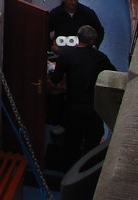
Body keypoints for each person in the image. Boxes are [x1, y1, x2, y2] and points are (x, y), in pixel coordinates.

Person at [48, 25, 116, 169]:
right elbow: (113, 75)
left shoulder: (66, 56)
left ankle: (70, 171)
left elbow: (54, 79)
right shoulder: (100, 58)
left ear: (78, 38)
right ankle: (88, 169)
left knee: (72, 140)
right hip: (93, 107)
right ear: (93, 41)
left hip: (73, 107)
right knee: (93, 139)